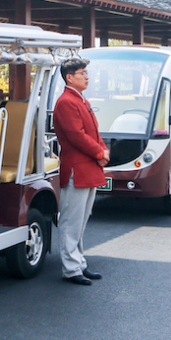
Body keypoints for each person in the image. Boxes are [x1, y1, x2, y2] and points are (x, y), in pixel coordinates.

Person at [52, 57, 109, 286]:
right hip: (77, 167)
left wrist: (102, 149)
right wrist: (100, 152)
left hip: (87, 167)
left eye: (86, 72)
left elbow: (92, 133)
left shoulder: (78, 99)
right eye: (82, 73)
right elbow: (77, 135)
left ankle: (79, 264)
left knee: (82, 219)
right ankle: (71, 268)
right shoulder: (67, 102)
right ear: (69, 77)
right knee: (71, 221)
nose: (87, 76)